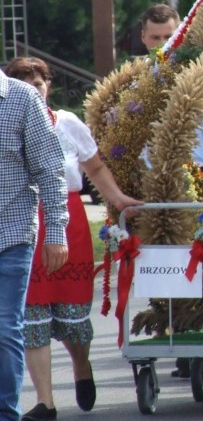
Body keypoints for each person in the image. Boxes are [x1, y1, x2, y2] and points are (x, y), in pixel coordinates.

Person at [5, 58, 141, 421]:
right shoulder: (8, 119)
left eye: (40, 80)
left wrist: (118, 200)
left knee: (72, 319)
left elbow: (94, 167)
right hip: (23, 220)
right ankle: (46, 402)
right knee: (30, 319)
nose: (35, 86)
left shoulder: (66, 122)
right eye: (25, 80)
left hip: (68, 221)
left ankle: (81, 365)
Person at [0, 68, 67, 421]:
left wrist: (56, 232)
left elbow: (50, 168)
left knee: (3, 326)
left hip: (10, 235)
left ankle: (5, 413)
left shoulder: (22, 98)